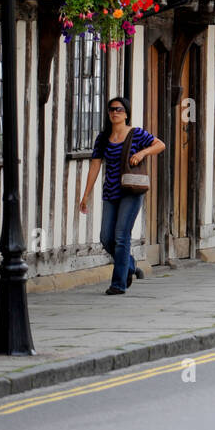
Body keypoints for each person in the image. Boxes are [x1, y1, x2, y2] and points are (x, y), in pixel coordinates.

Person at [79, 96, 166, 294]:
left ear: (126, 113)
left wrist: (142, 153)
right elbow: (95, 166)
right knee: (106, 237)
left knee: (121, 236)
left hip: (131, 191)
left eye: (118, 109)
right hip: (110, 191)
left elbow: (160, 144)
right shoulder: (103, 138)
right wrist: (85, 195)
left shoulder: (136, 134)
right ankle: (129, 264)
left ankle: (118, 284)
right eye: (111, 109)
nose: (114, 112)